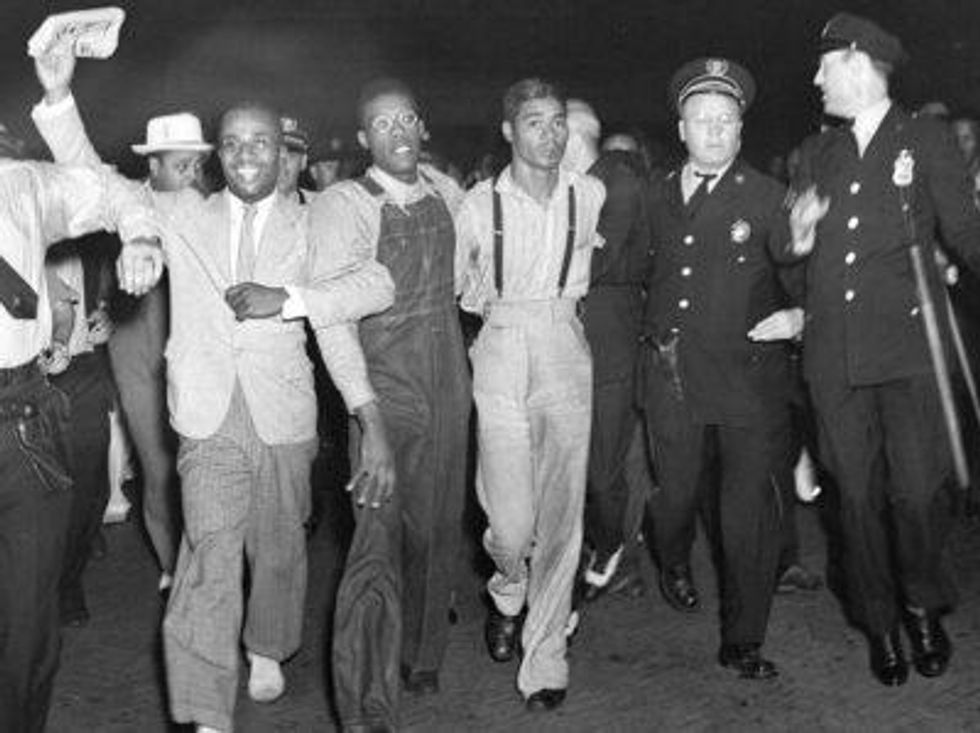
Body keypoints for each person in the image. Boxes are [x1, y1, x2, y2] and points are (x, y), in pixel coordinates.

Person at [33, 51, 397, 733]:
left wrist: (288, 301)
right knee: (208, 552)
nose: (246, 155)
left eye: (260, 142)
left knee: (280, 546)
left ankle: (266, 644)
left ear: (282, 149)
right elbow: (96, 180)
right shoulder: (183, 213)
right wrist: (58, 98)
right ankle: (205, 710)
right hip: (204, 415)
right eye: (231, 143)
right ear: (216, 155)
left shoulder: (314, 220)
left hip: (283, 417)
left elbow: (375, 286)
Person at [789, 12, 980, 686]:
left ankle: (923, 600)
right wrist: (798, 238)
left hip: (908, 353)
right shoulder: (816, 154)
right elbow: (789, 256)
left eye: (825, 65)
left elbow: (965, 228)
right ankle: (882, 623)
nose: (815, 78)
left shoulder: (924, 138)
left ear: (860, 63)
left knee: (921, 493)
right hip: (835, 359)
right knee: (856, 500)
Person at [639, 57, 803, 678]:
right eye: (700, 119)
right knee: (674, 496)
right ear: (680, 128)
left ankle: (744, 639)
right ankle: (672, 554)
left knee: (746, 516)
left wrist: (801, 318)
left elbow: (809, 276)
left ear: (741, 129)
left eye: (725, 120)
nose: (713, 131)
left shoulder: (768, 198)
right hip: (673, 376)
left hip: (746, 382)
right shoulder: (653, 196)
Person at [317, 78, 470, 732]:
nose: (399, 132)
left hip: (450, 387)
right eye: (382, 125)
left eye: (407, 118)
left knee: (436, 530)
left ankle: (423, 652)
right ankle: (367, 706)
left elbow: (469, 282)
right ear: (363, 140)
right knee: (374, 544)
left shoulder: (448, 193)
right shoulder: (345, 204)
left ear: (423, 126)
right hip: (385, 394)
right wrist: (367, 418)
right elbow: (332, 322)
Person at [0, 118, 160, 733]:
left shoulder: (19, 186)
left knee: (26, 623)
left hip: (19, 425)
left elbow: (114, 190)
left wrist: (141, 236)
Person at [455, 78, 606, 712]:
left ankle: (545, 656)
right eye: (535, 122)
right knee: (511, 526)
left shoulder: (589, 195)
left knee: (562, 518)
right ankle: (507, 589)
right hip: (500, 344)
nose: (550, 134)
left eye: (557, 123)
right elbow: (461, 292)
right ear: (509, 132)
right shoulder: (476, 206)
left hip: (566, 346)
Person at [33, 94, 214, 596]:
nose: (193, 174)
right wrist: (58, 97)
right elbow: (81, 166)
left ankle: (209, 570)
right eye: (181, 165)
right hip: (142, 353)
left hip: (204, 358)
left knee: (203, 471)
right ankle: (174, 568)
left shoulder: (214, 210)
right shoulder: (126, 203)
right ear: (150, 165)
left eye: (198, 164)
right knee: (160, 469)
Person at [561, 99, 653, 601]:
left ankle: (613, 542)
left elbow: (591, 263)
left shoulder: (615, 179)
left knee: (603, 466)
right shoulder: (566, 185)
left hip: (608, 345)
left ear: (575, 135)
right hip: (567, 344)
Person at [42, 248, 115, 627]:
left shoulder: (85, 230)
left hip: (81, 372)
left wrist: (106, 311)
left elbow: (108, 283)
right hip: (23, 376)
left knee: (88, 489)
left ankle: (67, 581)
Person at [278, 115, 317, 204]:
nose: (282, 162)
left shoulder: (321, 207)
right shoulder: (242, 212)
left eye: (291, 155)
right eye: (276, 154)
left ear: (303, 161)